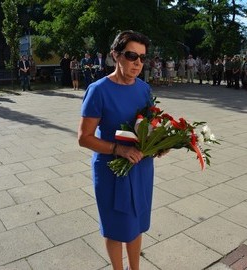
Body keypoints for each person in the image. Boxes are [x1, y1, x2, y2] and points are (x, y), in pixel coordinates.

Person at [78, 30, 160, 270]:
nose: (138, 63)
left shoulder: (144, 89)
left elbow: (148, 126)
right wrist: (118, 150)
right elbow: (84, 138)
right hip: (112, 170)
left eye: (143, 58)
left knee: (135, 223)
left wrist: (157, 145)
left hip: (140, 166)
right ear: (115, 55)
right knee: (115, 227)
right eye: (132, 55)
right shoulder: (98, 90)